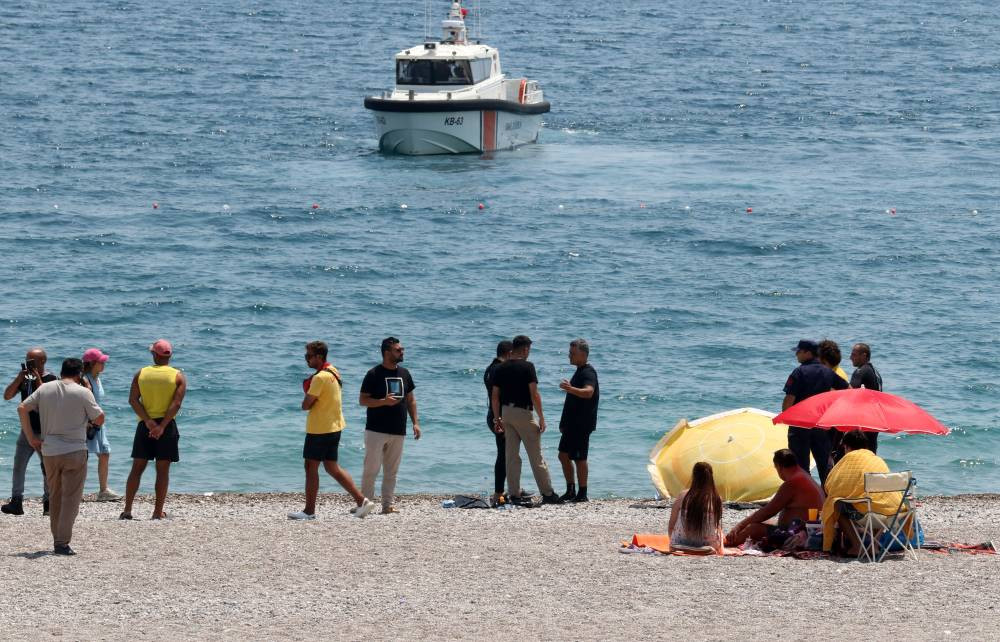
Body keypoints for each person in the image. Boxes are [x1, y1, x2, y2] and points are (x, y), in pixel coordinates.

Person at [18, 358, 104, 555]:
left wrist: (31, 437)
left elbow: (22, 408)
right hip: (74, 450)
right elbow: (99, 417)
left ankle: (57, 536)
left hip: (49, 451)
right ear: (80, 373)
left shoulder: (45, 389)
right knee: (71, 498)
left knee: (55, 495)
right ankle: (62, 542)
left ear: (62, 371)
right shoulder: (83, 392)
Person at [288, 342, 375, 520]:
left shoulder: (319, 377)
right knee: (331, 467)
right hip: (334, 426)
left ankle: (309, 511)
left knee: (310, 467)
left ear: (319, 357)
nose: (306, 359)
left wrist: (306, 397)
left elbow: (306, 405)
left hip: (320, 428)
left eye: (309, 356)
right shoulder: (334, 371)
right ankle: (362, 501)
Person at [490, 335, 561, 505]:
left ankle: (514, 494)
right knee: (536, 456)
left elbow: (495, 397)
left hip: (506, 413)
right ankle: (548, 493)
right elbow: (534, 394)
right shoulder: (528, 367)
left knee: (511, 456)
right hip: (524, 413)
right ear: (525, 349)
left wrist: (496, 418)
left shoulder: (499, 368)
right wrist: (542, 418)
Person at [121, 339, 187, 520]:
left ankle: (127, 510)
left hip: (145, 425)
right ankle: (157, 512)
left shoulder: (141, 374)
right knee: (163, 470)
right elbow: (176, 404)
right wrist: (162, 426)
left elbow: (133, 400)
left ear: (154, 355)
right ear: (170, 355)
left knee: (137, 468)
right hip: (166, 427)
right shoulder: (178, 376)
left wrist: (149, 423)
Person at [359, 337, 420, 514]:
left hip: (398, 430)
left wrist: (416, 423)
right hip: (376, 429)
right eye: (398, 350)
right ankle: (365, 504)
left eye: (402, 349)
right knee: (371, 470)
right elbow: (363, 400)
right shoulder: (373, 374)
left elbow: (411, 400)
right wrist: (383, 402)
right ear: (387, 352)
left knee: (392, 471)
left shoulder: (405, 373)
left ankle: (387, 505)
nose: (402, 352)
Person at [820, 429, 903, 555]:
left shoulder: (848, 459)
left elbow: (830, 485)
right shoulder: (877, 459)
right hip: (893, 514)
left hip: (867, 515)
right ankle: (874, 545)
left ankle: (857, 546)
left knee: (837, 504)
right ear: (866, 445)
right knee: (877, 500)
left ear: (846, 446)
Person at [724, 449, 825, 548]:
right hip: (813, 529)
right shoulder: (804, 475)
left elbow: (767, 511)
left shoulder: (793, 482)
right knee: (767, 522)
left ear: (779, 467)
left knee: (753, 528)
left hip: (799, 532)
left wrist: (739, 526)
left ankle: (725, 542)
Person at [782, 339, 848, 485]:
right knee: (824, 464)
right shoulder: (828, 372)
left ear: (808, 353)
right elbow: (848, 390)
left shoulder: (799, 372)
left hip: (800, 426)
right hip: (820, 425)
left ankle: (807, 497)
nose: (796, 355)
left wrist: (785, 418)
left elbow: (789, 399)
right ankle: (829, 497)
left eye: (798, 352)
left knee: (801, 466)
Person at [2, 347, 57, 516]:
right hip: (27, 430)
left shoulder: (52, 379)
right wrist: (20, 378)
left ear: (42, 362)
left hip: (45, 431)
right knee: (19, 466)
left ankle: (48, 503)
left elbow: (47, 399)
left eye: (32, 361)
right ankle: (16, 501)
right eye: (27, 360)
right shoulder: (25, 379)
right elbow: (7, 395)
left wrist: (38, 379)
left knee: (47, 467)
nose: (29, 364)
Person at [556, 338, 599, 503]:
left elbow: (588, 392)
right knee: (563, 455)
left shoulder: (588, 372)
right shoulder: (579, 371)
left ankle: (582, 493)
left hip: (581, 424)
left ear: (583, 354)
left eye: (572, 353)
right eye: (569, 353)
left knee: (580, 458)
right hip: (571, 424)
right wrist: (563, 423)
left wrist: (571, 388)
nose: (569, 356)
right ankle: (570, 489)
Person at [81, 348, 119, 501]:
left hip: (98, 423)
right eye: (101, 361)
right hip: (87, 423)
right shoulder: (84, 379)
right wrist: (88, 423)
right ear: (91, 363)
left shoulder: (97, 378)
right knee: (81, 457)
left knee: (104, 453)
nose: (104, 363)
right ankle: (76, 491)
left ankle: (103, 490)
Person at [667, 462, 723, 554]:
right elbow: (716, 525)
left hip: (680, 543)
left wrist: (672, 540)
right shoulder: (716, 499)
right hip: (707, 546)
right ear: (711, 477)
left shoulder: (683, 496)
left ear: (694, 476)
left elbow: (671, 525)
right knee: (719, 529)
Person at [484, 340, 513, 504]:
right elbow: (498, 396)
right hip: (499, 416)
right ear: (509, 353)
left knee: (505, 453)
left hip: (493, 415)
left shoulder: (489, 369)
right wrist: (499, 419)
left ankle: (503, 490)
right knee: (504, 455)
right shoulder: (501, 369)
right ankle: (499, 493)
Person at [849, 343, 883, 453]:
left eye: (854, 355)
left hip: (865, 420)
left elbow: (849, 393)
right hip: (876, 418)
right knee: (870, 451)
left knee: (858, 452)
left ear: (864, 356)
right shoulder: (875, 371)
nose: (850, 357)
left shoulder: (861, 371)